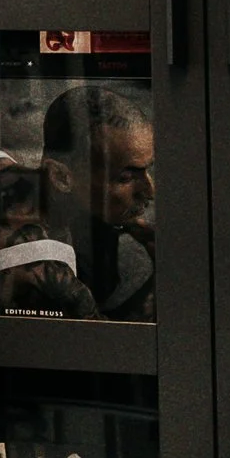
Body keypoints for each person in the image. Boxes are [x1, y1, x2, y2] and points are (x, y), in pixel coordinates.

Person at [36, 78, 156, 321]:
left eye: (147, 170)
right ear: (60, 177)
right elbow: (105, 337)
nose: (150, 191)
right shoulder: (40, 266)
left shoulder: (89, 212)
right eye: (125, 177)